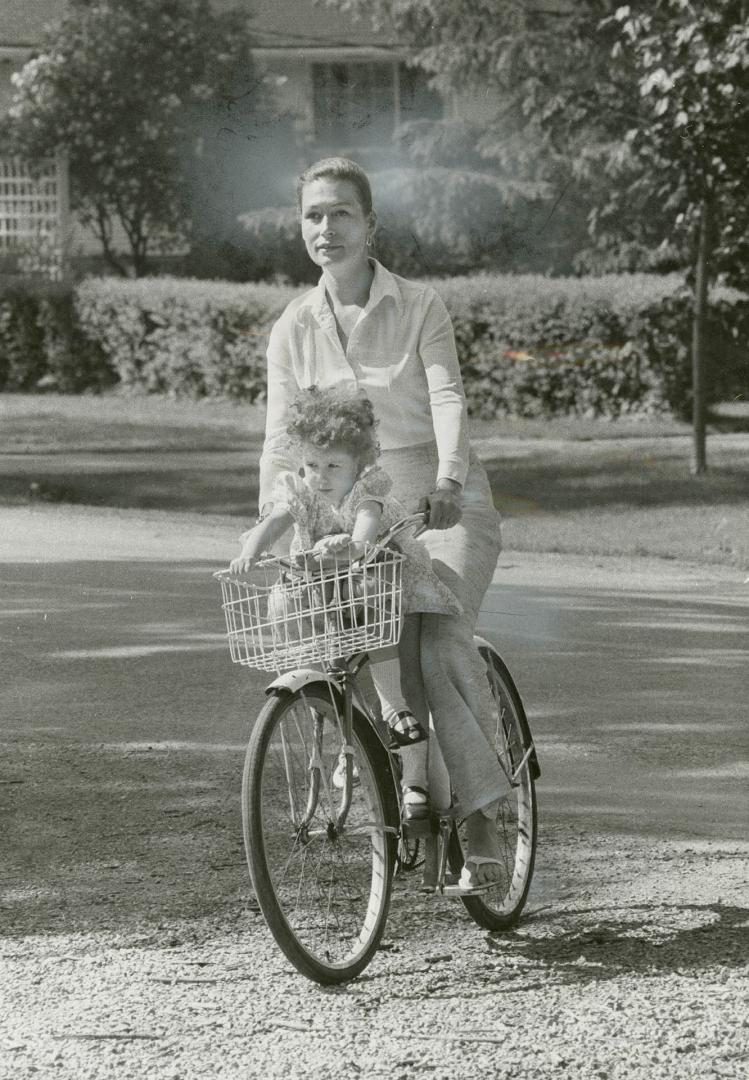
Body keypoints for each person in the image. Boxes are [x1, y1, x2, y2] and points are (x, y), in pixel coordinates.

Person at [256, 156, 508, 890]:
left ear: (370, 226)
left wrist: (450, 482)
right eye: (312, 215)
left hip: (434, 496)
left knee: (436, 637)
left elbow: (448, 398)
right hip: (347, 504)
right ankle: (404, 777)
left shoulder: (419, 305)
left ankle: (483, 812)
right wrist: (277, 523)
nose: (325, 228)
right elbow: (279, 444)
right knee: (330, 634)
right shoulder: (293, 326)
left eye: (340, 213)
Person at [230, 385, 462, 824]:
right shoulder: (303, 490)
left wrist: (353, 545)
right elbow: (276, 519)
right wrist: (251, 549)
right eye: (313, 464)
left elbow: (366, 530)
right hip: (329, 584)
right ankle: (350, 738)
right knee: (318, 642)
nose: (321, 475)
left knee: (379, 644)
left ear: (360, 465)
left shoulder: (365, 492)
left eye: (334, 465)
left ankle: (403, 739)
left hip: (376, 576)